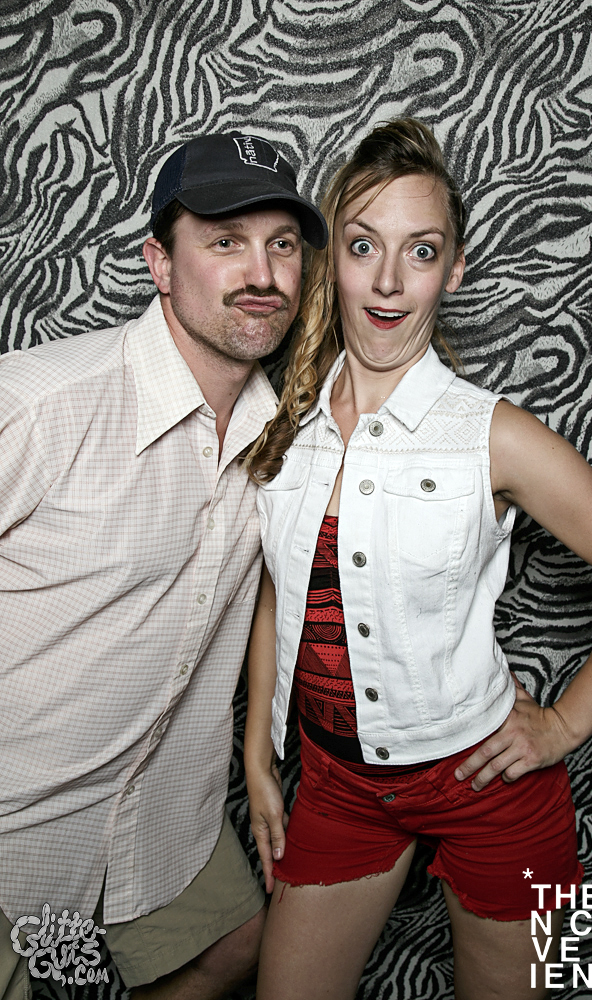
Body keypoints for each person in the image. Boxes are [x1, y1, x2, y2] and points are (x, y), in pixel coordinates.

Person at [243, 119, 592, 1000]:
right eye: (363, 246)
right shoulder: (286, 428)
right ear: (332, 260)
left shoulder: (491, 434)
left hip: (488, 786)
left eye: (422, 251)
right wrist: (256, 753)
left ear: (455, 270)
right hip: (336, 784)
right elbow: (282, 594)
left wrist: (564, 725)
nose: (388, 282)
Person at [0, 131, 327, 1000]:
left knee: (238, 944)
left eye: (282, 244)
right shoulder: (36, 405)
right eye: (224, 242)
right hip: (18, 817)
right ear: (159, 264)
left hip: (159, 806)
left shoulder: (287, 437)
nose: (261, 274)